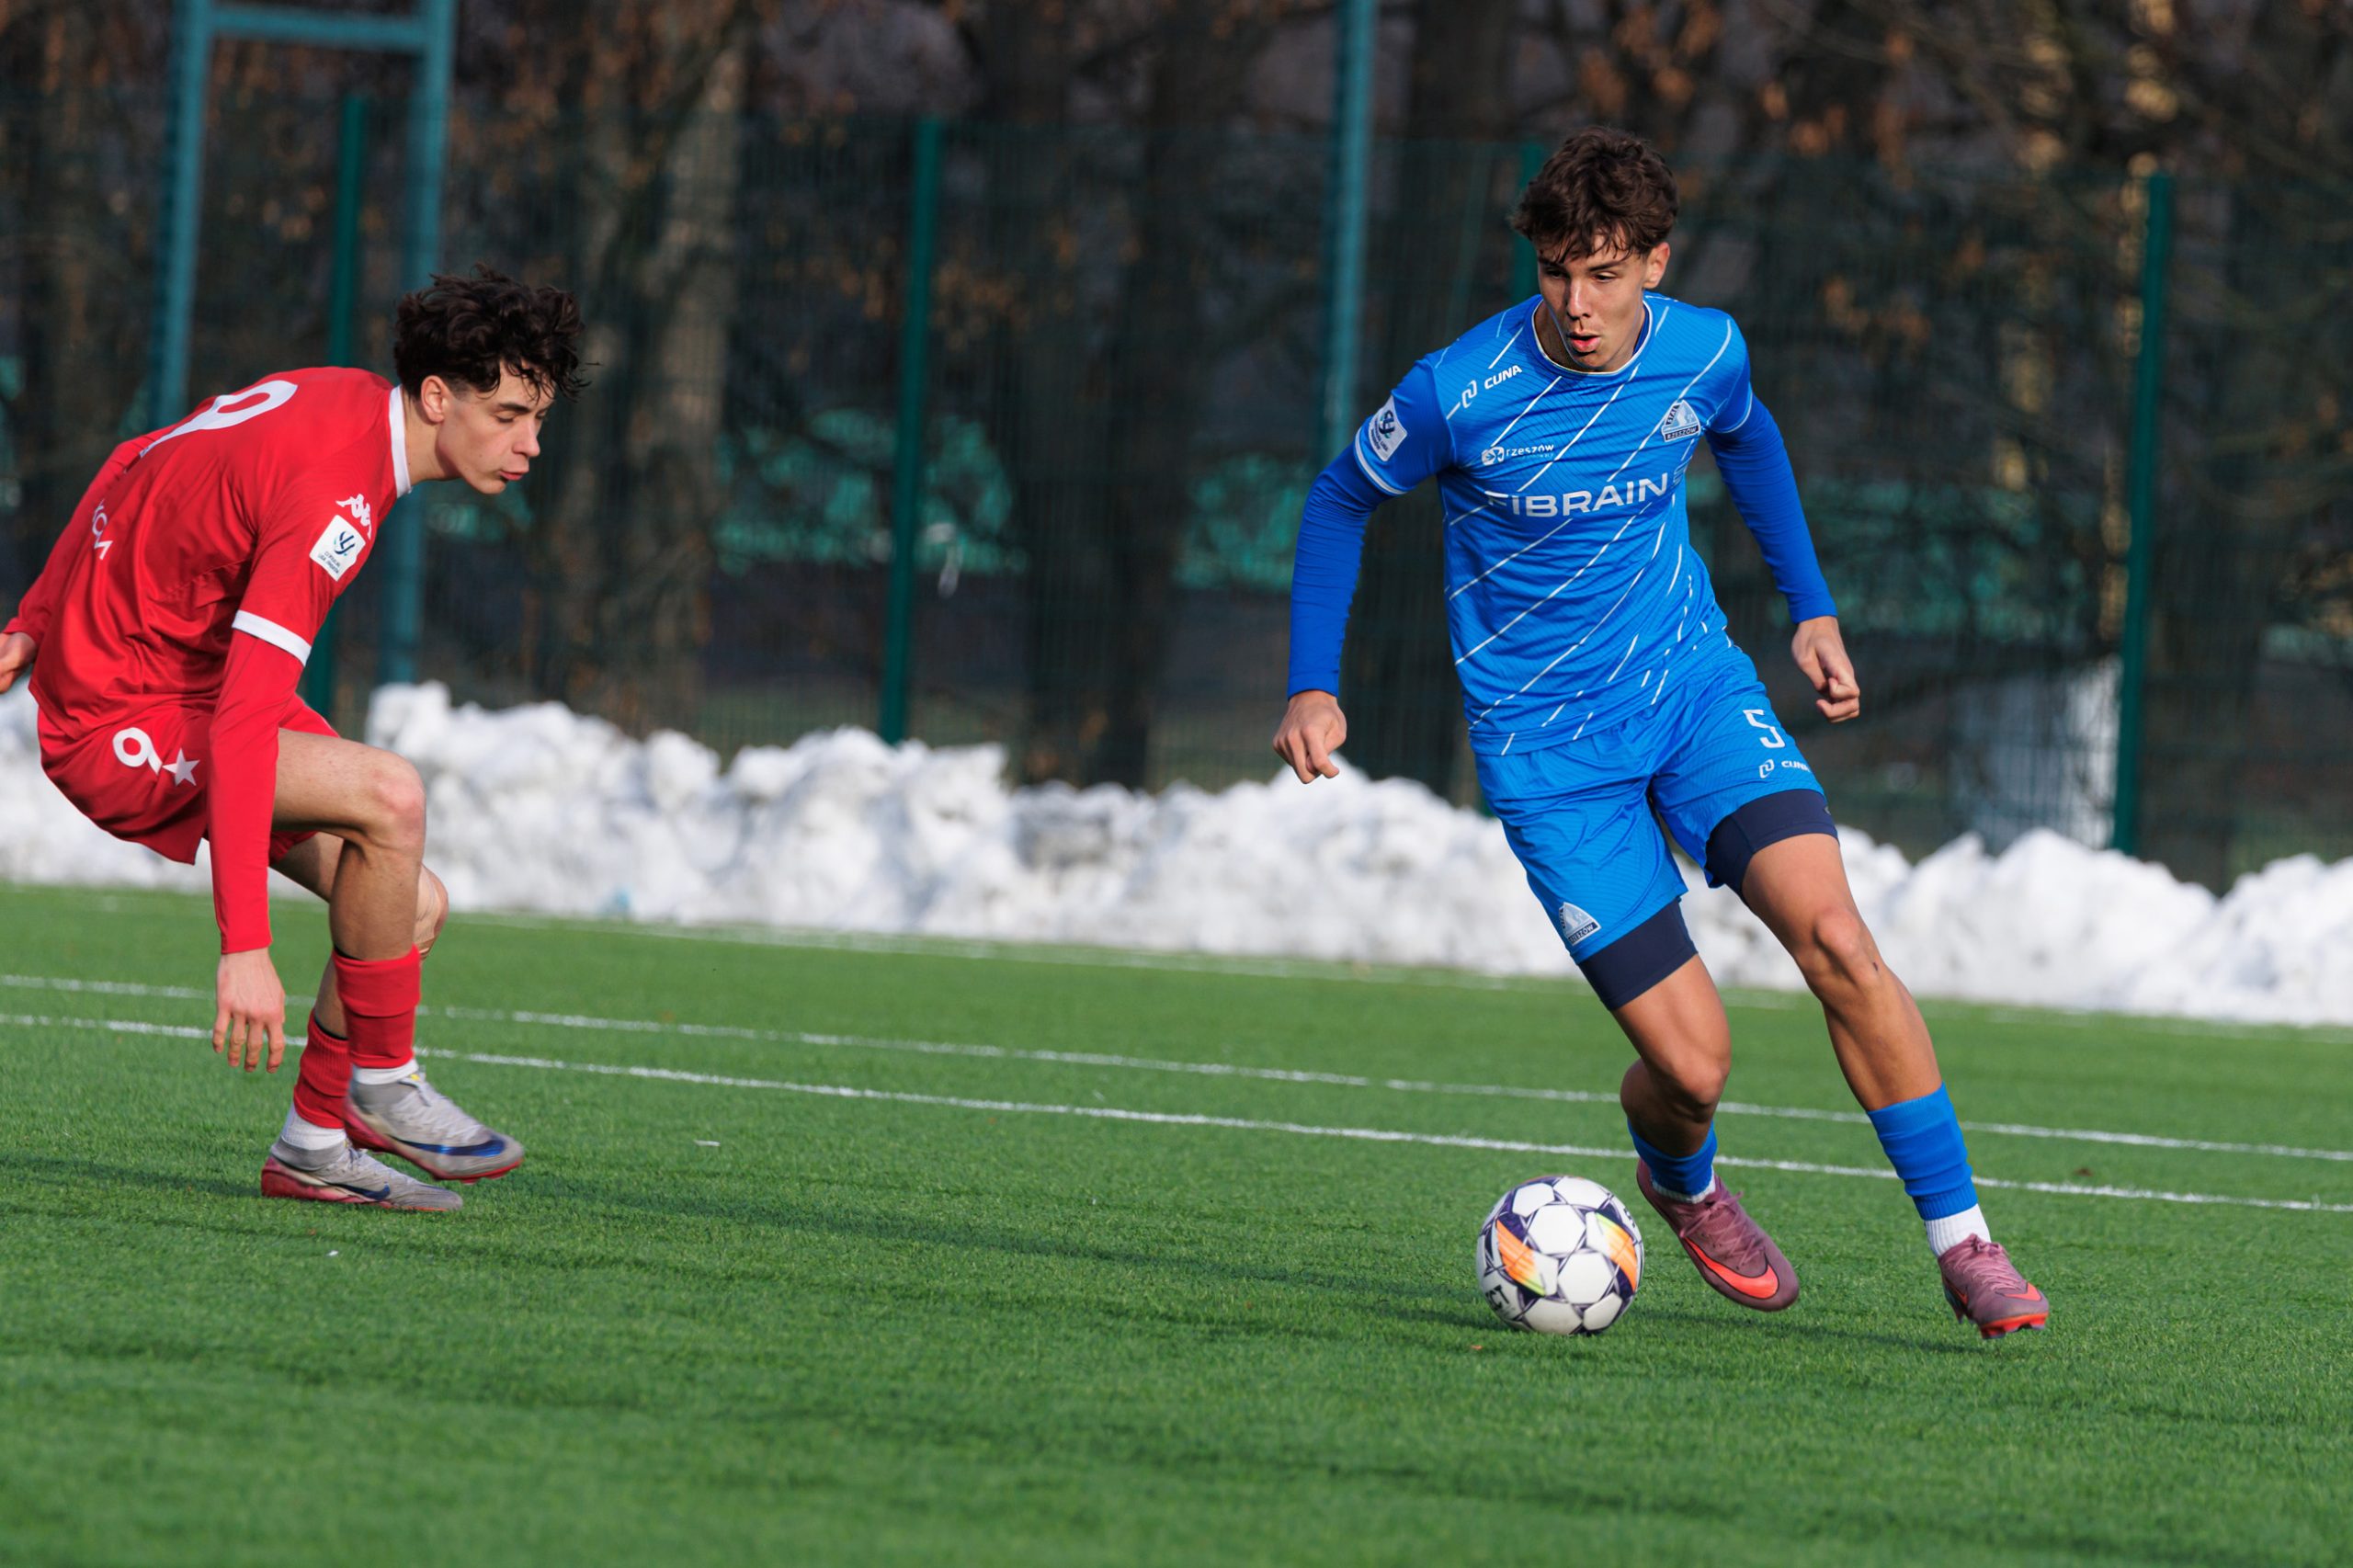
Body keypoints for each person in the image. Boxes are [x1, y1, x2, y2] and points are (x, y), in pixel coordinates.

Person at [1272, 130, 2049, 1338]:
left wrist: (1811, 607)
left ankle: (1965, 1244)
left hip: (1692, 697)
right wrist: (1310, 684)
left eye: (1604, 273)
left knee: (1838, 938)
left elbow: (1750, 436)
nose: (1577, 305)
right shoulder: (1456, 391)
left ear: (1654, 261)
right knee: (1693, 1068)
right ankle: (1681, 1181)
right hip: (1551, 761)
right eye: (1555, 273)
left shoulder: (1706, 349)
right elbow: (1338, 497)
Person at [0, 265, 585, 1212]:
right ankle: (385, 1081)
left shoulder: (345, 397)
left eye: (539, 418)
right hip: (118, 721)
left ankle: (313, 1145)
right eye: (511, 414)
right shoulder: (335, 498)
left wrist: (33, 616)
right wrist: (244, 945)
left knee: (408, 907)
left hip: (183, 686)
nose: (529, 444)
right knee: (391, 794)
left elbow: (134, 454)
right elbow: (242, 724)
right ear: (439, 398)